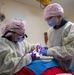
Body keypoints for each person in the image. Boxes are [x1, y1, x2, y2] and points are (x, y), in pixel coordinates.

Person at [40, 3, 74, 71]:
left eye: (49, 18)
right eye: (46, 19)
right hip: (56, 65)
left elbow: (69, 51)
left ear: (58, 15)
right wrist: (46, 48)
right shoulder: (50, 31)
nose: (48, 21)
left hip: (69, 65)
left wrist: (48, 51)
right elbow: (50, 46)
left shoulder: (71, 27)